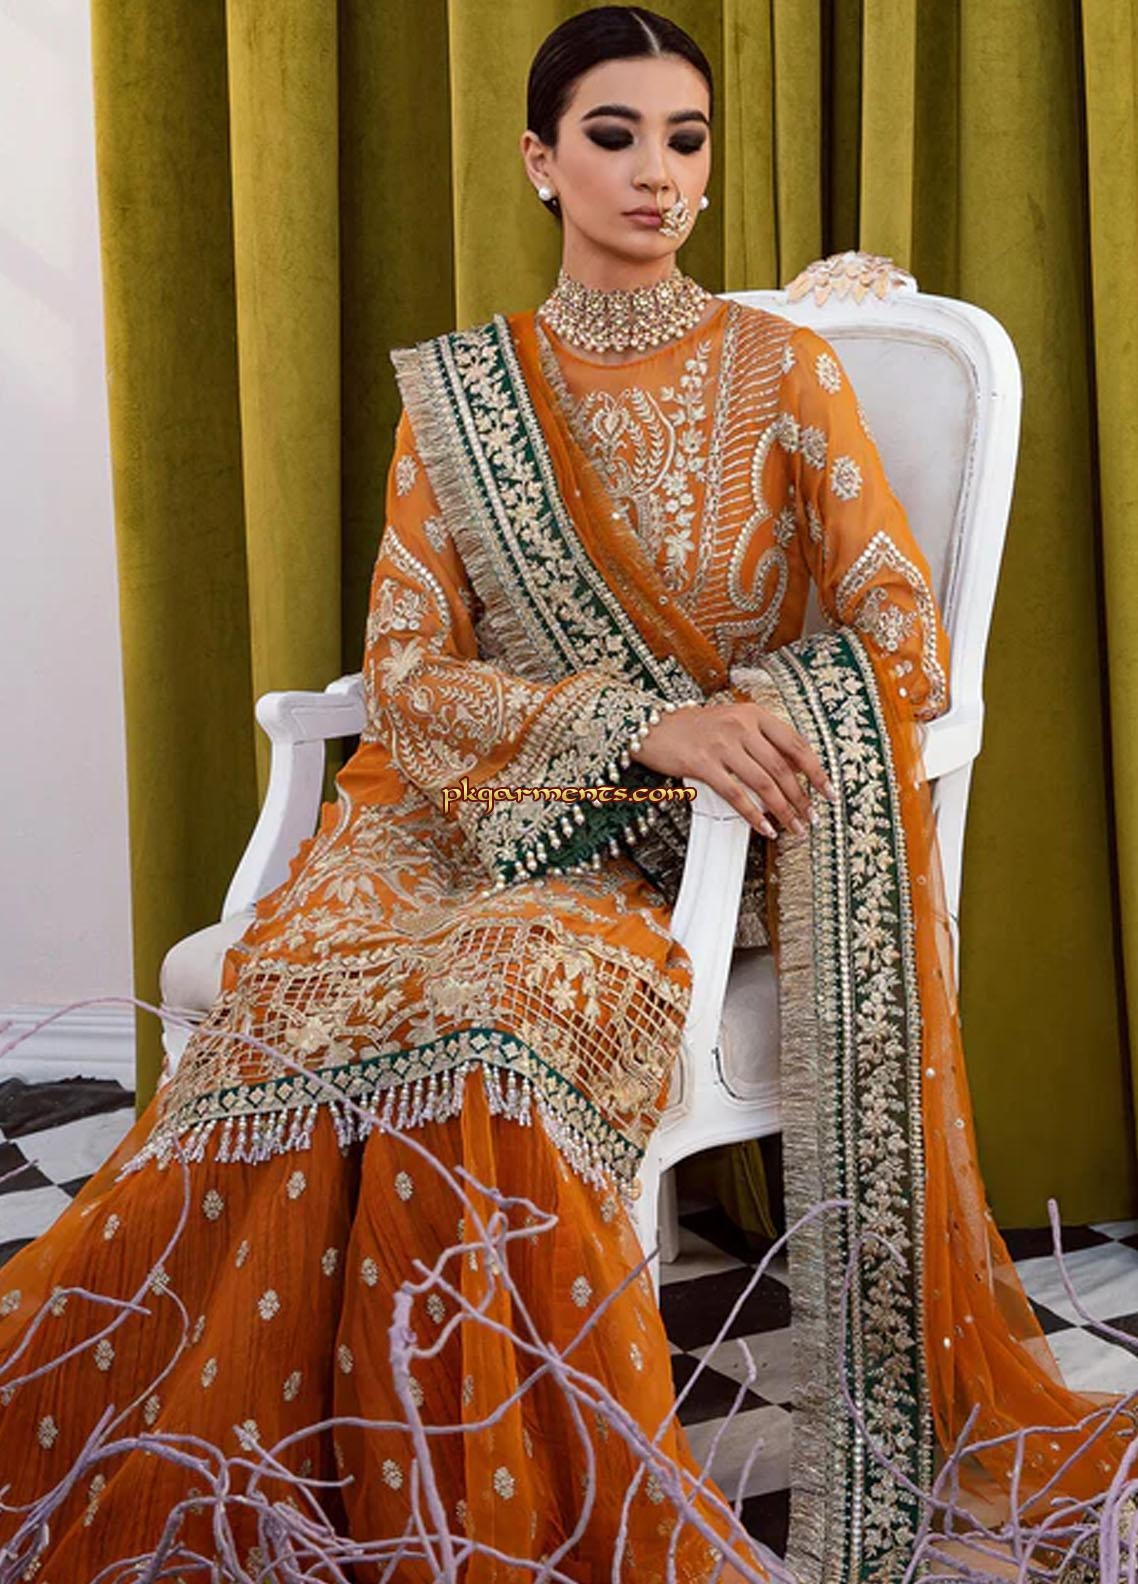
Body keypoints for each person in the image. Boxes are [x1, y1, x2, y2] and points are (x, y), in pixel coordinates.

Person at [0, 8, 1130, 1582]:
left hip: (672, 850)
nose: (656, 172)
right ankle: (298, 1479)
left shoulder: (782, 370)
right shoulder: (466, 394)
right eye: (614, 136)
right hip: (443, 816)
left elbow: (899, 634)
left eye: (684, 138)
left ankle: (479, 1503)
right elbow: (407, 670)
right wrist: (641, 721)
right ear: (541, 161)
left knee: (496, 1018)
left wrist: (748, 723)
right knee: (317, 995)